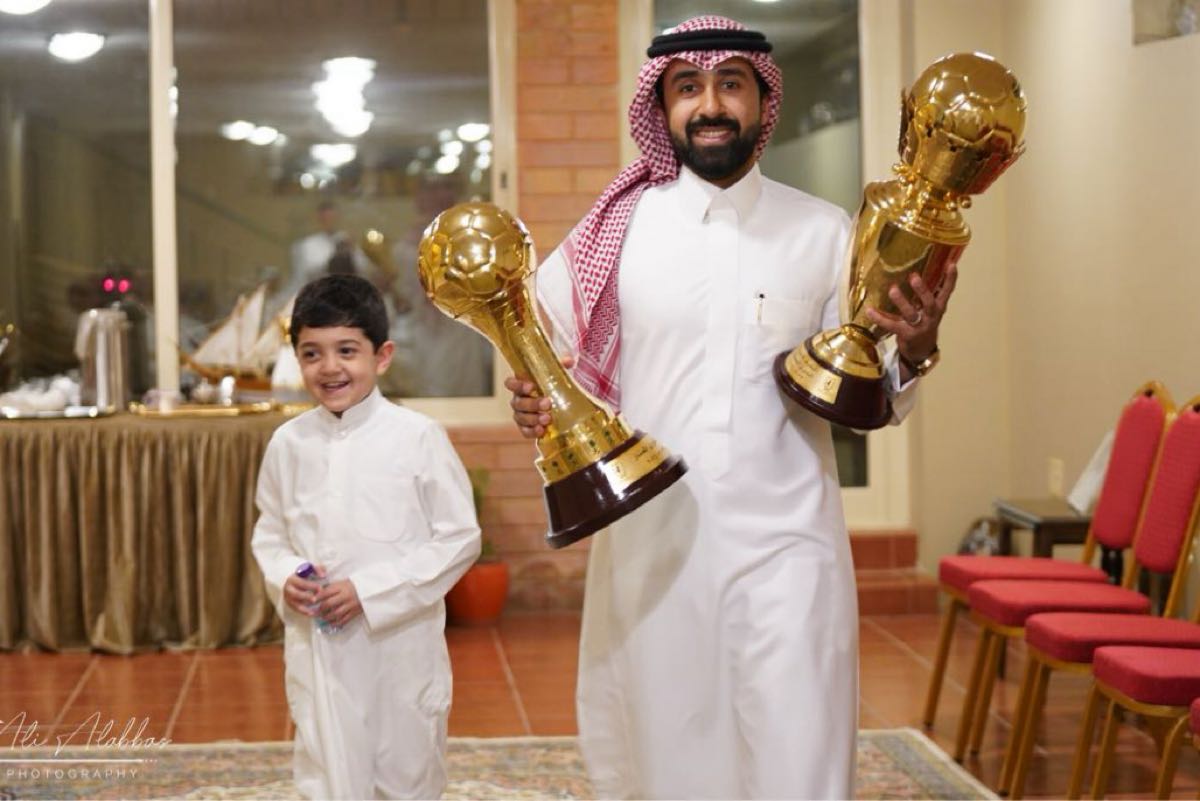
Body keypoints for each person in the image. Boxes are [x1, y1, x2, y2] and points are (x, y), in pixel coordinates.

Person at [506, 15, 956, 799]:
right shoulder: (619, 232)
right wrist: (534, 402)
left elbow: (877, 388)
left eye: (729, 85)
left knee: (798, 746)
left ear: (763, 101)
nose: (709, 105)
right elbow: (551, 366)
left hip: (790, 548)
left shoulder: (825, 232)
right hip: (656, 547)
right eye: (688, 87)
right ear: (662, 107)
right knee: (668, 753)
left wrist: (917, 348)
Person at [251, 274, 481, 799]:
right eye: (312, 353)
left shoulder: (418, 437)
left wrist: (370, 591)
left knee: (404, 770)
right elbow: (270, 532)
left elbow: (458, 538)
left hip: (398, 646)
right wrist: (286, 576)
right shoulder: (288, 443)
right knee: (326, 767)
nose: (330, 367)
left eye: (347, 350)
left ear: (382, 356)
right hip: (319, 648)